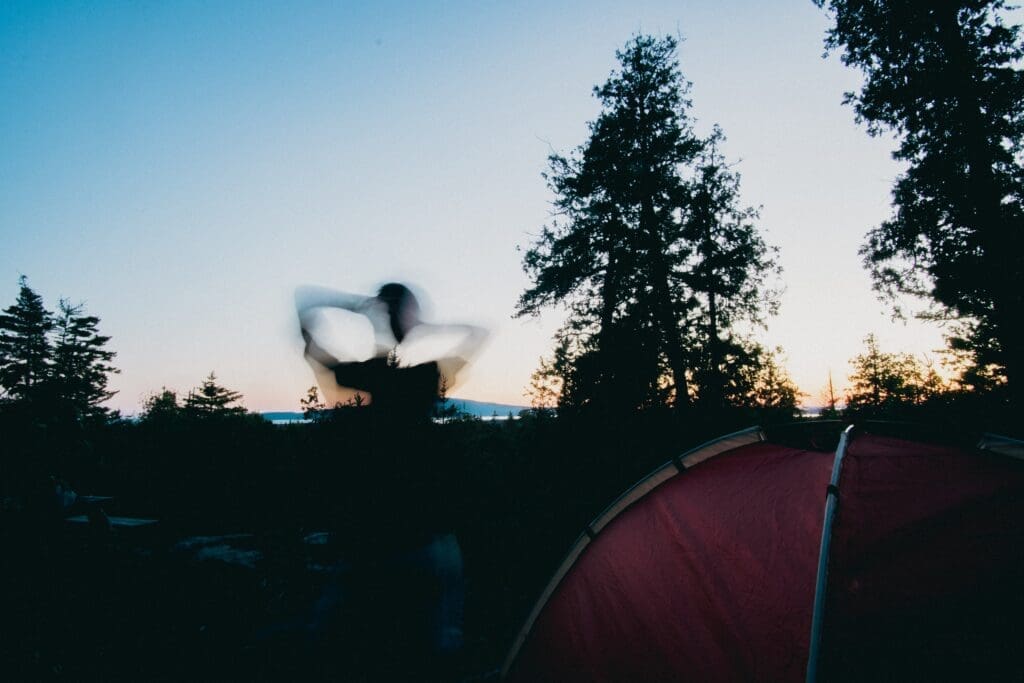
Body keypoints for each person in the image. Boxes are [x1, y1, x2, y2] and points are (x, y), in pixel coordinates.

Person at [294, 282, 486, 677]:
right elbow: (476, 334)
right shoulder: (423, 377)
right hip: (432, 539)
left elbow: (309, 329)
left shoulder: (371, 376)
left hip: (376, 540)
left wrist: (358, 307)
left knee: (346, 637)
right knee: (439, 645)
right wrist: (425, 327)